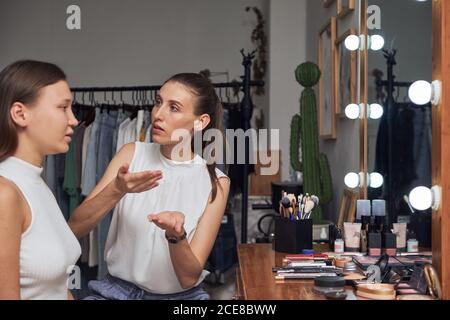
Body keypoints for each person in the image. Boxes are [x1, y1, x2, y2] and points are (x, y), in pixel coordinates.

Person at [69, 73, 230, 300]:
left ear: (200, 122)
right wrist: (117, 189)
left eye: (173, 107)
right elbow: (75, 227)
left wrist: (176, 236)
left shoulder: (216, 183)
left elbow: (188, 278)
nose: (158, 114)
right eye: (158, 102)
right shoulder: (131, 153)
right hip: (116, 292)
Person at [0, 60, 81, 299]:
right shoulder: (6, 193)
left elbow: (55, 288)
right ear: (20, 114)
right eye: (63, 108)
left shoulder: (37, 184)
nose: (74, 120)